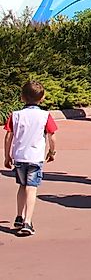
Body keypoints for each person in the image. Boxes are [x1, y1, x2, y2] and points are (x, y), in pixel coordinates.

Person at [4, 81, 57, 236]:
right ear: (42, 98)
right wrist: (52, 152)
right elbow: (52, 136)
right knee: (32, 188)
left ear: (22, 97)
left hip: (19, 157)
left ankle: (19, 216)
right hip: (35, 157)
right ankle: (28, 221)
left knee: (22, 186)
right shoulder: (45, 115)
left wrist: (7, 155)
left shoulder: (16, 115)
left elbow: (9, 136)